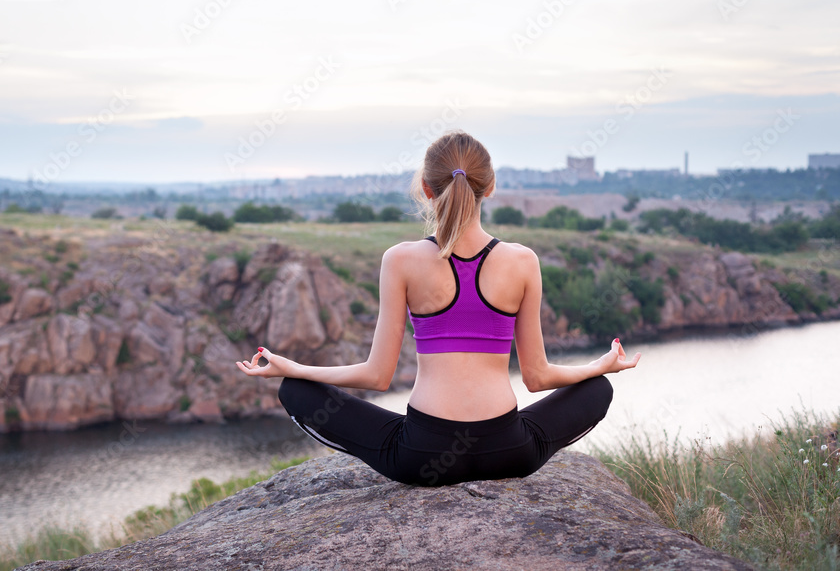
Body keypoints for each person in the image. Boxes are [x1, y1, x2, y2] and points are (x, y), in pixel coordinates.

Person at [235, 131, 641, 487]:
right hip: (509, 451)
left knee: (295, 391)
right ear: (491, 187)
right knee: (598, 389)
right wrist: (598, 367)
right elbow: (537, 377)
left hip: (422, 454)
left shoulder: (400, 260)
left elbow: (376, 376)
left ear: (426, 190)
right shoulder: (523, 261)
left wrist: (293, 369)